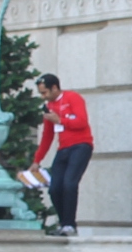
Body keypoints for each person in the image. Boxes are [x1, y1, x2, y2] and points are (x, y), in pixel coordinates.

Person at [34, 75, 92, 236]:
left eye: (45, 92)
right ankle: (64, 223)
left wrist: (60, 120)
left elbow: (81, 121)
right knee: (54, 188)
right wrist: (37, 160)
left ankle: (70, 225)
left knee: (69, 184)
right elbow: (47, 136)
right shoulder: (49, 107)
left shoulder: (72, 98)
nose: (43, 97)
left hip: (81, 146)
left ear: (54, 88)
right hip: (63, 148)